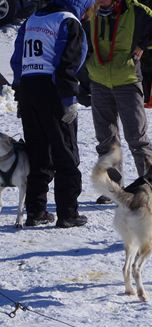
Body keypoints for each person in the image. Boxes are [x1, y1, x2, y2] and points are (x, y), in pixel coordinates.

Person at [11, 0, 93, 228]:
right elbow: (67, 64)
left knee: (37, 153)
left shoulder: (32, 19)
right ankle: (68, 213)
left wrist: (20, 94)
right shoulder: (69, 22)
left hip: (29, 89)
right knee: (65, 152)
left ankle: (35, 211)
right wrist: (69, 100)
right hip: (53, 91)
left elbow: (18, 59)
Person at [82, 0, 152, 203]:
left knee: (137, 139)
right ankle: (113, 188)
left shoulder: (135, 10)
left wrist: (143, 46)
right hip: (98, 82)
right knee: (106, 140)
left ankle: (150, 187)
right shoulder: (89, 10)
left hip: (128, 82)